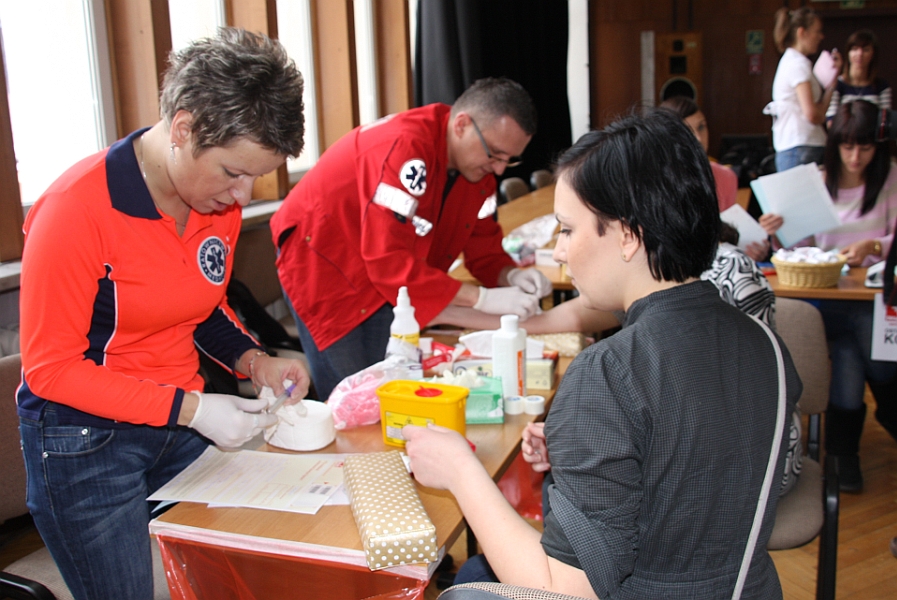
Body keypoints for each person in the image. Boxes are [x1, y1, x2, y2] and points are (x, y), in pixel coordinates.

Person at [403, 110, 800, 599]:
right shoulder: (764, 343)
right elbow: (699, 466)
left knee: (465, 583)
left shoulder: (609, 371)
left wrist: (461, 472)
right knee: (473, 574)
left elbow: (563, 589)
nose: (559, 251)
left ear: (628, 236)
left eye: (567, 230)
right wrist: (598, 449)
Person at [17, 29, 309, 600]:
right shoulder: (74, 211)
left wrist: (256, 362)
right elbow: (50, 371)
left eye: (257, 176)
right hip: (85, 439)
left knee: (231, 576)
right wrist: (192, 408)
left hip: (178, 421)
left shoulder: (212, 202)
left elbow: (201, 305)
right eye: (233, 172)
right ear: (182, 129)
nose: (243, 196)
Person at [271, 77, 551, 400]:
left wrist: (510, 274)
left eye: (510, 160)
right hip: (324, 262)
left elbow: (483, 248)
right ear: (461, 125)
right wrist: (481, 299)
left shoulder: (479, 170)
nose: (500, 170)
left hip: (384, 275)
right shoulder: (406, 148)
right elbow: (389, 261)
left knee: (386, 386)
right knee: (352, 396)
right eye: (495, 154)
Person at [767, 100, 897, 492]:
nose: (855, 157)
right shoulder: (817, 182)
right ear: (835, 144)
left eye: (865, 147)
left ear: (878, 147)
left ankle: (842, 456)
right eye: (847, 146)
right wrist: (778, 230)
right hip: (826, 298)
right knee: (861, 332)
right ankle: (882, 415)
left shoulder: (890, 179)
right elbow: (797, 248)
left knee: (848, 352)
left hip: (871, 298)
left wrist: (875, 245)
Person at [766, 7, 842, 173]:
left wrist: (831, 85)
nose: (821, 36)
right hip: (800, 146)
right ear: (802, 32)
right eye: (817, 31)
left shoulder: (794, 62)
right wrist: (821, 112)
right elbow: (812, 114)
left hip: (800, 144)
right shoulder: (797, 64)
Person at [659, 96, 739, 212]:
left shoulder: (725, 177)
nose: (698, 138)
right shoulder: (651, 180)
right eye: (687, 131)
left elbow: (729, 221)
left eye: (701, 127)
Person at [826, 29, 891, 121]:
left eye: (866, 50)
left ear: (873, 54)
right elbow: (831, 121)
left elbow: (885, 121)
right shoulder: (837, 84)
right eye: (855, 49)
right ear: (848, 53)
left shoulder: (881, 86)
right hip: (843, 130)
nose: (860, 54)